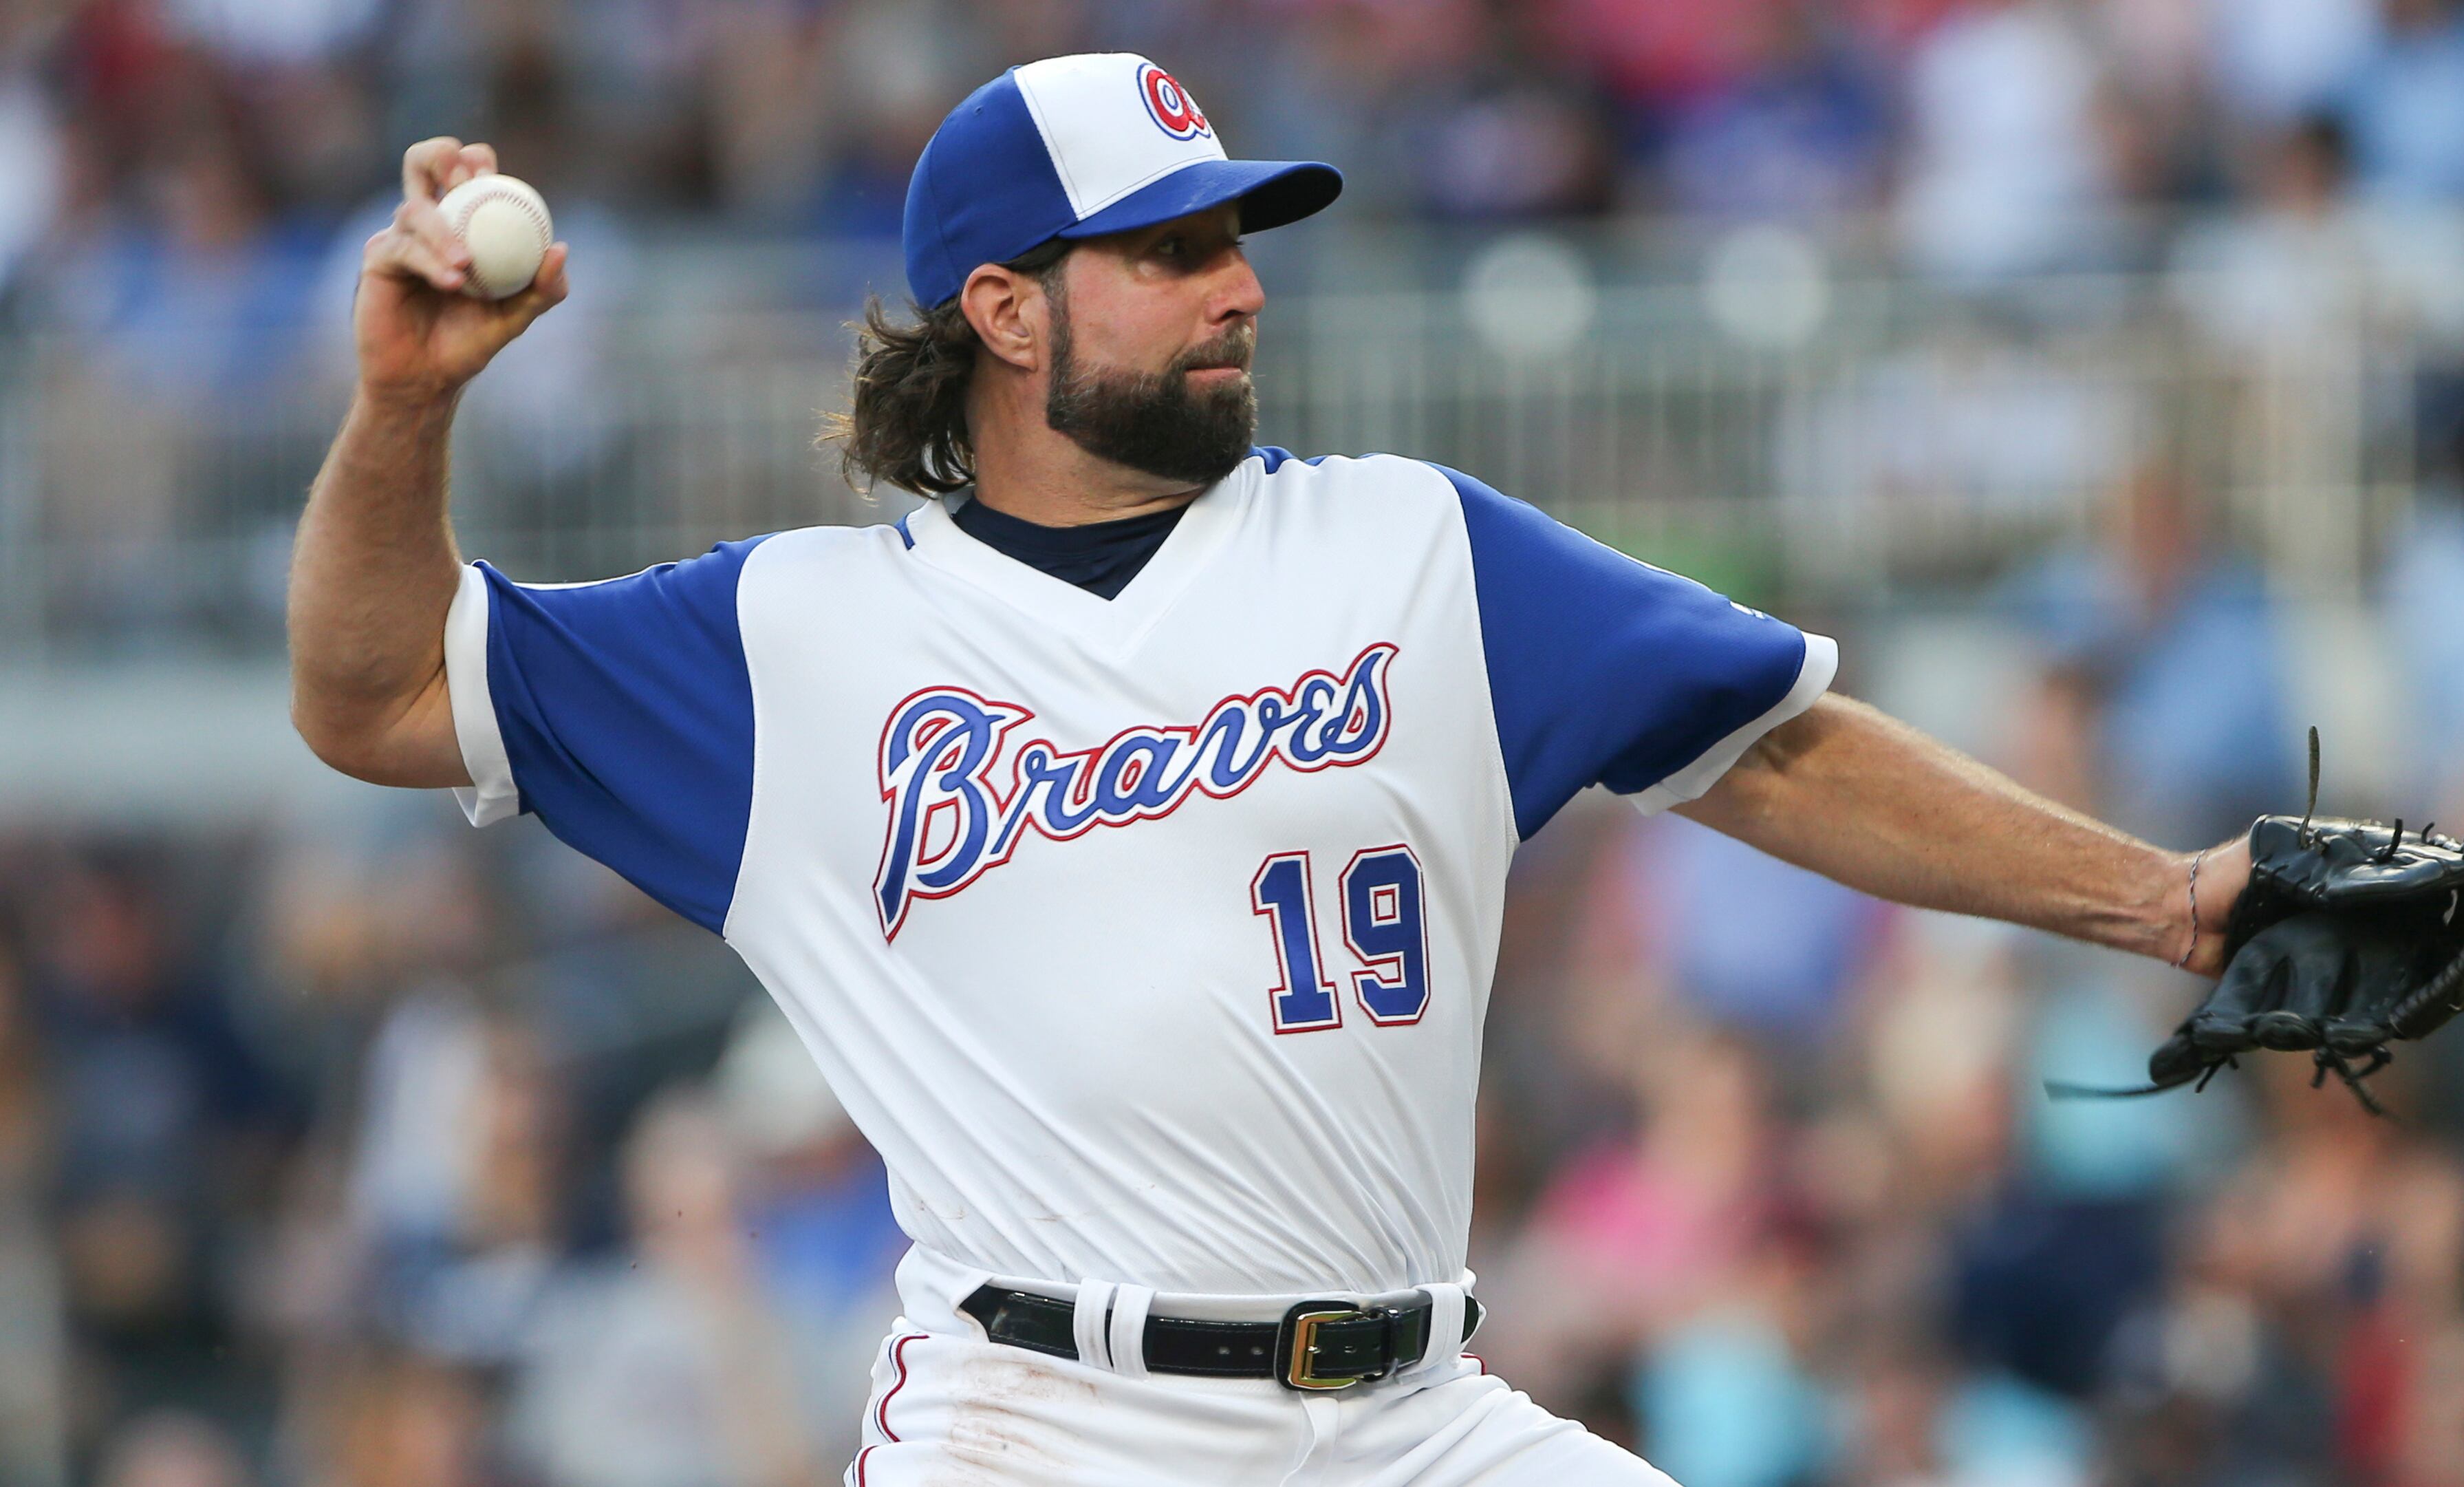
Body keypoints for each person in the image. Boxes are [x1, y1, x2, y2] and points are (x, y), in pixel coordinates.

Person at [290, 52, 2269, 1487]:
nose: (1237, 280)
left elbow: (1779, 748)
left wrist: (2166, 900)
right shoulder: (795, 640)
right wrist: (398, 416)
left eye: (1234, 234)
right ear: (1004, 311)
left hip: (1420, 1413)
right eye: (1165, 248)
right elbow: (377, 700)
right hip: (1053, 1422)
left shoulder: (1412, 545)